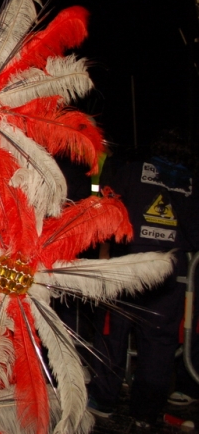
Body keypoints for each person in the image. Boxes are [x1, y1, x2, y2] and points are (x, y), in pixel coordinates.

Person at [88, 129, 199, 428]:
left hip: (128, 265)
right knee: (159, 344)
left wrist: (104, 255)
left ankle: (104, 400)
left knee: (112, 335)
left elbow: (107, 211)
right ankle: (145, 413)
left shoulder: (132, 172)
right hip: (170, 273)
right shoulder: (191, 183)